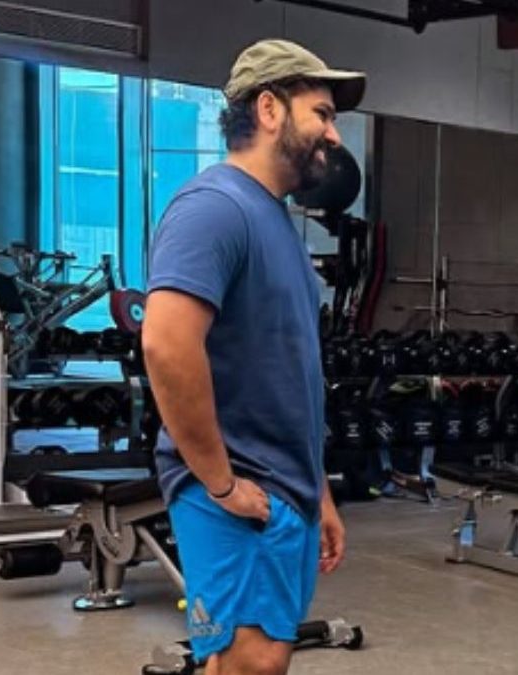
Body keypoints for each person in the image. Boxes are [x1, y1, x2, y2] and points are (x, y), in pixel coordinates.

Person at [142, 39, 366, 675]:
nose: (332, 133)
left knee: (253, 662)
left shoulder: (274, 221)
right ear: (269, 109)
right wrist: (219, 482)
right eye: (321, 113)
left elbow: (292, 378)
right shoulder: (214, 208)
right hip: (237, 483)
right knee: (251, 663)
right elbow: (165, 342)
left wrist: (318, 491)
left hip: (286, 486)